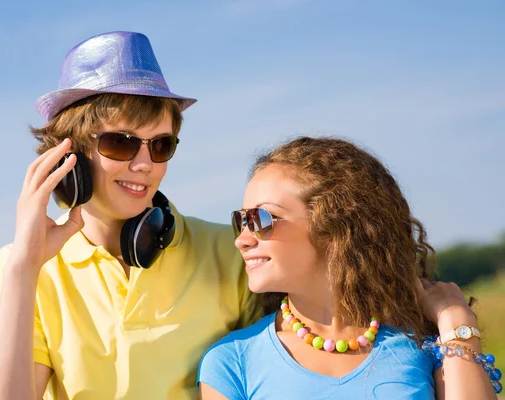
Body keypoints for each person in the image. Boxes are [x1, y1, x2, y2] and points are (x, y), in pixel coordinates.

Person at [0, 31, 258, 400]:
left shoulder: (231, 252)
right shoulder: (22, 268)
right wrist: (25, 267)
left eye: (160, 145)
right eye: (121, 142)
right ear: (68, 156)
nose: (144, 164)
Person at [198, 136, 501, 399]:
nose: (242, 240)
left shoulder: (426, 342)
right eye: (241, 221)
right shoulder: (232, 361)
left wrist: (456, 321)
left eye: (261, 220)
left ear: (334, 226)